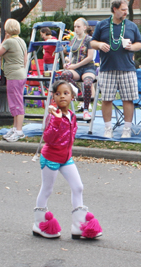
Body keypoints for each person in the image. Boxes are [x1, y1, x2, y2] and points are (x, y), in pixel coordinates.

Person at [32, 80, 102, 240]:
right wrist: (56, 120)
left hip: (66, 158)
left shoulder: (72, 115)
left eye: (66, 93)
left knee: (78, 187)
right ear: (53, 97)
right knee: (47, 189)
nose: (62, 96)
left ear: (72, 97)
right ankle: (39, 224)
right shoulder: (52, 116)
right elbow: (48, 138)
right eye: (58, 94)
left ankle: (79, 225)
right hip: (50, 158)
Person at [90, 0, 141, 139]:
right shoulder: (102, 25)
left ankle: (127, 129)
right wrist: (99, 45)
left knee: (128, 99)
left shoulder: (132, 26)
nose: (126, 12)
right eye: (123, 9)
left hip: (127, 68)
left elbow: (140, 43)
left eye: (127, 9)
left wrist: (132, 47)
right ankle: (108, 129)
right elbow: (92, 42)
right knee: (107, 99)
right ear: (114, 9)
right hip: (107, 68)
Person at [54, 18, 96, 120]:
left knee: (87, 83)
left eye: (78, 26)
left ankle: (86, 109)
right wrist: (68, 63)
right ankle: (77, 92)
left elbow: (90, 57)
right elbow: (72, 56)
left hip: (88, 67)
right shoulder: (73, 40)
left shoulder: (89, 39)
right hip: (76, 68)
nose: (76, 29)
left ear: (84, 27)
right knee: (65, 74)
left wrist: (75, 65)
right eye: (75, 27)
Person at [0, 18, 28, 142]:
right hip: (20, 73)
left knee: (16, 103)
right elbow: (25, 59)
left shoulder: (9, 42)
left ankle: (19, 131)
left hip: (13, 75)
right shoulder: (21, 41)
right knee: (15, 102)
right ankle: (15, 128)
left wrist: (4, 39)